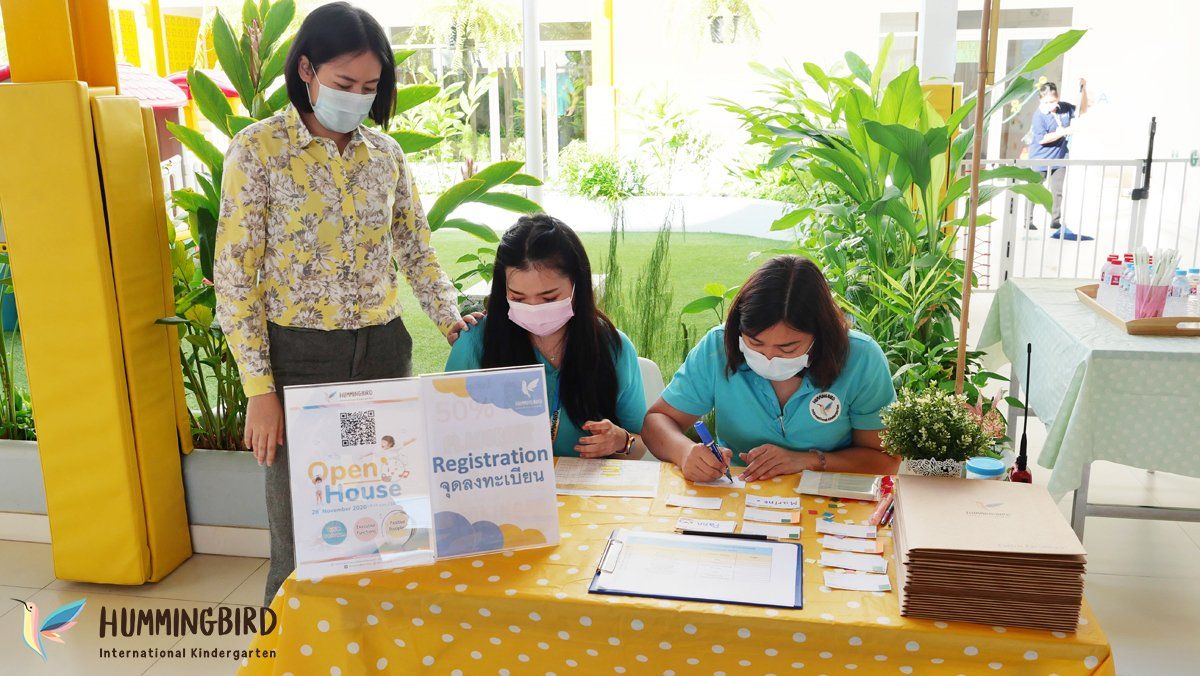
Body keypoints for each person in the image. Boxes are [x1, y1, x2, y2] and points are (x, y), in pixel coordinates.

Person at [213, 2, 477, 606]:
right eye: (343, 83)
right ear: (306, 69)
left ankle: (378, 656)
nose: (357, 98)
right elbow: (235, 277)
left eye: (369, 87)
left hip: (382, 352)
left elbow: (415, 246)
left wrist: (450, 320)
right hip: (298, 361)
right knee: (303, 537)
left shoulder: (385, 156)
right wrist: (260, 391)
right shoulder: (257, 152)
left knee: (387, 524)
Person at [642, 255, 898, 482]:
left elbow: (885, 460)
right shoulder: (719, 346)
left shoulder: (861, 359)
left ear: (821, 335)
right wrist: (685, 452)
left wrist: (808, 461)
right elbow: (657, 422)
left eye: (787, 349)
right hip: (736, 491)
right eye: (755, 343)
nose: (768, 357)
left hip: (830, 495)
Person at [445, 214, 649, 459]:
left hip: (586, 493)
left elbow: (640, 443)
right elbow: (447, 442)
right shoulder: (474, 345)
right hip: (503, 491)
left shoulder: (612, 347)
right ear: (503, 291)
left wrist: (620, 441)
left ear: (577, 285)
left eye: (549, 298)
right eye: (518, 298)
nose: (533, 308)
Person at [1026, 79, 1091, 241]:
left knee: (1057, 191)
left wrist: (1084, 90)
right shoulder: (1039, 115)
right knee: (1034, 190)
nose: (1050, 105)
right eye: (1046, 102)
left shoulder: (1065, 109)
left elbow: (1082, 109)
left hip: (1059, 158)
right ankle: (1028, 220)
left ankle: (1055, 221)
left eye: (1053, 101)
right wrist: (1065, 131)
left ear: (1058, 98)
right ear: (1040, 100)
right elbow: (1042, 139)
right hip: (1039, 158)